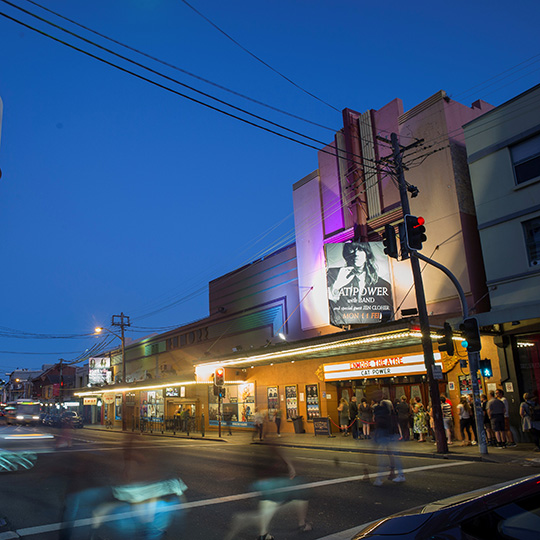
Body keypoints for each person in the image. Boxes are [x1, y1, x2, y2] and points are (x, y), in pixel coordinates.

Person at [326, 242, 393, 326]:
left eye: (360, 250)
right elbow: (329, 305)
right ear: (347, 255)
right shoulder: (334, 274)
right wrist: (337, 285)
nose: (356, 254)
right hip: (343, 327)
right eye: (352, 250)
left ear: (367, 255)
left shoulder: (382, 284)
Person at [371, 392, 405, 486]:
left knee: (381, 456)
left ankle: (380, 478)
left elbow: (377, 421)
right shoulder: (389, 409)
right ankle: (399, 474)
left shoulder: (379, 408)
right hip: (391, 432)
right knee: (393, 454)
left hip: (384, 433)